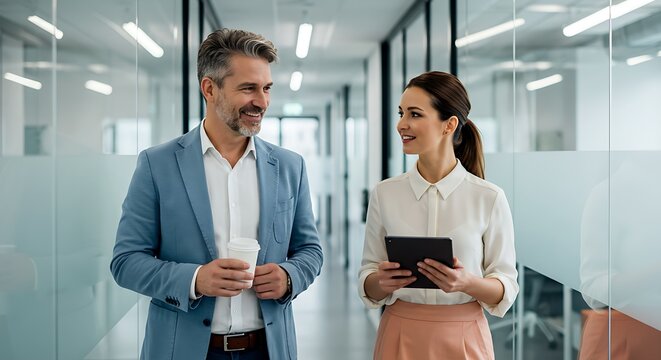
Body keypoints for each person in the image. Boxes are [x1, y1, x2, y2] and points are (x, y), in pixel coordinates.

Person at [110, 28, 323, 360]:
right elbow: (125, 262)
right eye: (248, 89)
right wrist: (195, 279)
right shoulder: (158, 164)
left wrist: (289, 276)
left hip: (268, 349)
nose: (262, 102)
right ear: (209, 88)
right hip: (185, 349)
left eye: (266, 88)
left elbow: (310, 250)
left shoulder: (289, 166)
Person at [358, 71, 519, 359]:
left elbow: (505, 286)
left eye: (415, 114)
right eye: (401, 113)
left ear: (449, 124)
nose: (401, 124)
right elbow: (368, 276)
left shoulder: (489, 197)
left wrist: (467, 283)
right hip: (399, 335)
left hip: (465, 339)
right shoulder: (385, 194)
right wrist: (381, 282)